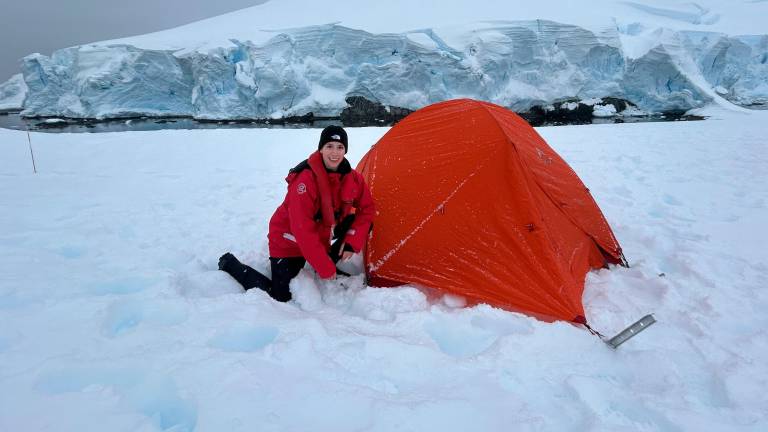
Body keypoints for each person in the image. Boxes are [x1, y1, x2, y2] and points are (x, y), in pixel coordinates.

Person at [218, 125, 375, 301]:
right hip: (288, 239)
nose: (335, 152)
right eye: (329, 146)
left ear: (345, 150)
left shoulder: (352, 178)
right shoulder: (305, 180)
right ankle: (231, 264)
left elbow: (367, 209)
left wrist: (351, 242)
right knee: (281, 296)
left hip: (320, 234)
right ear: (321, 149)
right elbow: (302, 229)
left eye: (340, 147)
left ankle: (322, 260)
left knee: (358, 223)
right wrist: (324, 267)